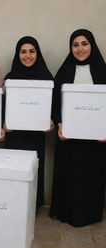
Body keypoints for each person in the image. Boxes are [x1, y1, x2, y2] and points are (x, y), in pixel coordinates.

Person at [50, 29, 106, 227]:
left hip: (95, 142)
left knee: (90, 177)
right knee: (70, 176)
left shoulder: (103, 71)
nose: (80, 48)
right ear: (70, 48)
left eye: (84, 43)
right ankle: (66, 212)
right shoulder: (64, 71)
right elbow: (55, 104)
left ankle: (89, 214)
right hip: (69, 140)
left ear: (92, 45)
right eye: (75, 45)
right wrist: (59, 124)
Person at [4, 36, 54, 208]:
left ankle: (34, 205)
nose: (27, 56)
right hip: (14, 137)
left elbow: (54, 107)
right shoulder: (10, 78)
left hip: (36, 137)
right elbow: (3, 107)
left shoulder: (47, 78)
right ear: (17, 55)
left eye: (31, 51)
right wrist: (3, 123)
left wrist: (52, 121)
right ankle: (12, 205)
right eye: (23, 52)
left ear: (37, 54)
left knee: (33, 169)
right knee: (14, 170)